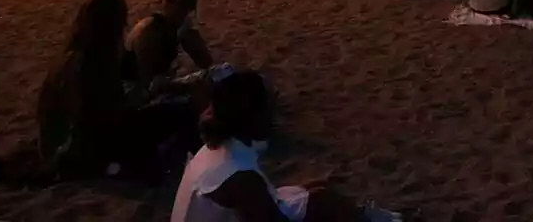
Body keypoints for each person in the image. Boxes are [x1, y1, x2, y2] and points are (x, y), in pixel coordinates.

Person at [171, 70, 400, 221]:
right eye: (268, 110)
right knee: (322, 201)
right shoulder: (241, 178)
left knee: (317, 190)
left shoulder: (218, 148)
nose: (273, 118)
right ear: (251, 117)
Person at [38, 0, 199, 181]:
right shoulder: (90, 62)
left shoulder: (76, 52)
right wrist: (150, 93)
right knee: (180, 111)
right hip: (84, 150)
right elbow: (107, 115)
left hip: (67, 145)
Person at [126, 0, 214, 91]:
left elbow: (205, 62)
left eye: (175, 2)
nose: (170, 7)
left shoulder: (168, 28)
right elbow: (150, 83)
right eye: (169, 1)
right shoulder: (151, 32)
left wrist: (187, 35)